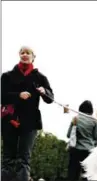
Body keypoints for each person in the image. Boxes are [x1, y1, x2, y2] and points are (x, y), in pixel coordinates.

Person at [1, 46, 54, 181]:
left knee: (24, 159)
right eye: (22, 52)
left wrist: (45, 92)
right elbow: (2, 96)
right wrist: (18, 95)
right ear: (19, 55)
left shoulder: (40, 77)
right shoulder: (7, 76)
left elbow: (50, 99)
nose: (25, 55)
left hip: (30, 122)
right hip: (9, 120)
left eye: (28, 53)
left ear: (33, 57)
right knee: (8, 158)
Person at [66, 100, 97, 181]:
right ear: (91, 110)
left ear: (80, 108)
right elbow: (96, 137)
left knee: (72, 173)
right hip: (89, 151)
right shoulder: (94, 121)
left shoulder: (75, 118)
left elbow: (68, 135)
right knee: (87, 175)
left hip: (75, 150)